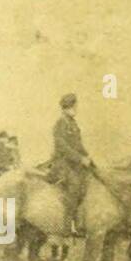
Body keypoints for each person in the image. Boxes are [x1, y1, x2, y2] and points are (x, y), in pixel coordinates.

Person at [47, 93, 92, 233]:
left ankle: (83, 219)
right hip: (62, 163)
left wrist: (88, 157)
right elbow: (62, 146)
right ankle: (67, 225)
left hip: (74, 162)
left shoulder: (73, 123)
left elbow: (78, 144)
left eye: (75, 106)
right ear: (67, 108)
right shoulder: (60, 123)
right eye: (74, 106)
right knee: (75, 186)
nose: (76, 109)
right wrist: (80, 158)